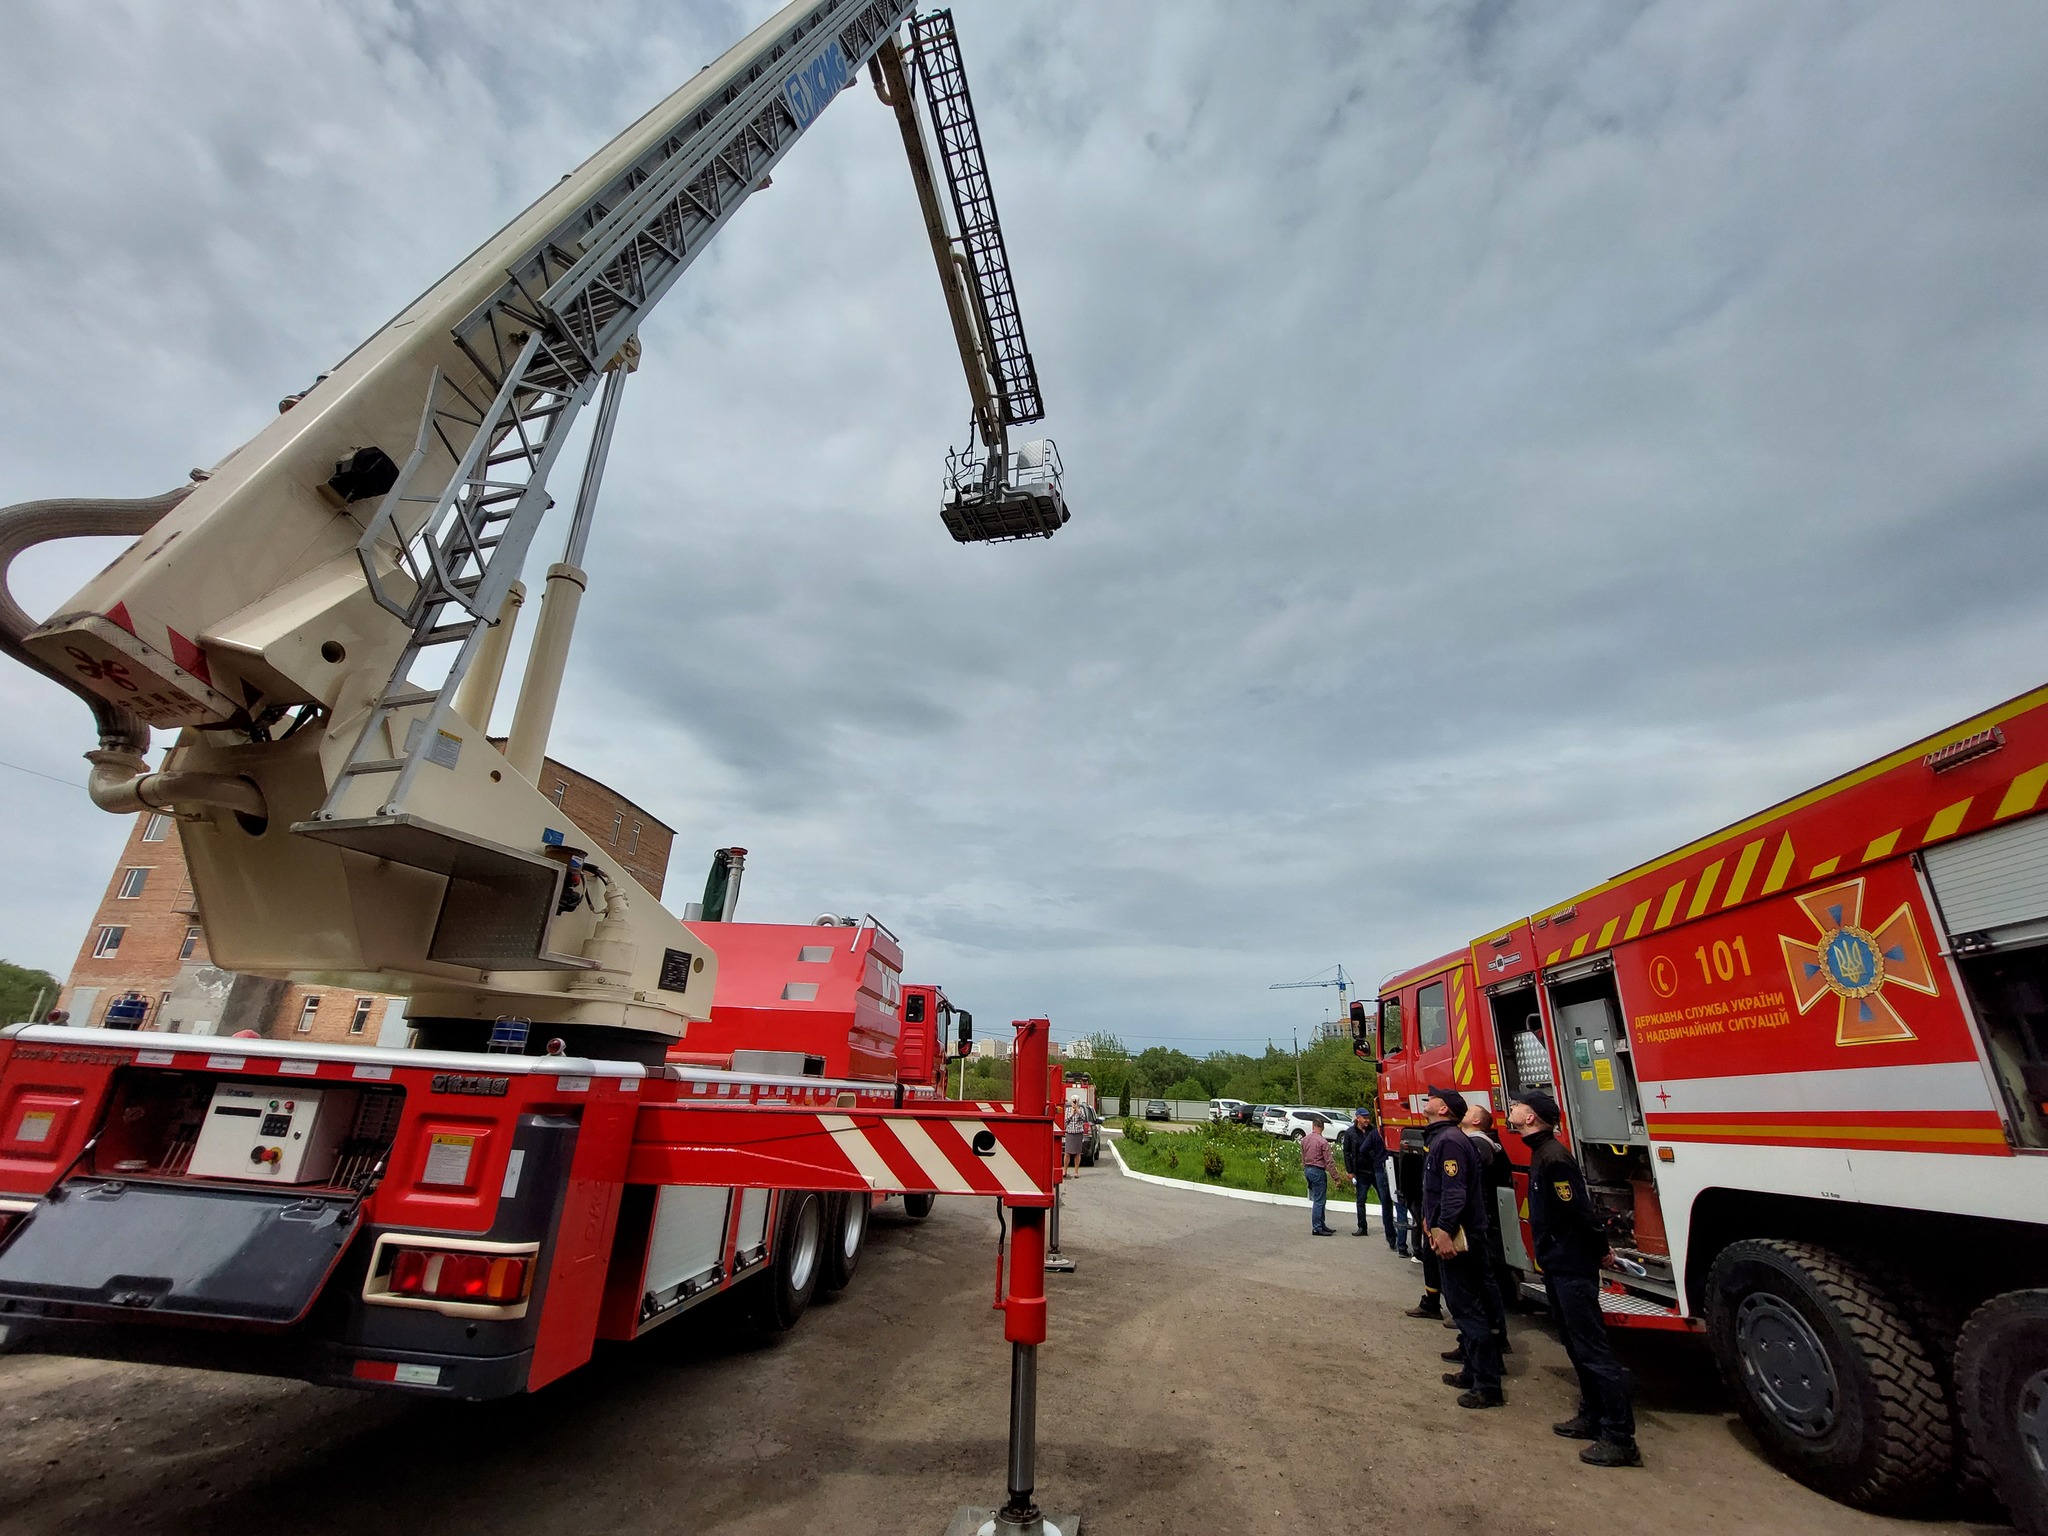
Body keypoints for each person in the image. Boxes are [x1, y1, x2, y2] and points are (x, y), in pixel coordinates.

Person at [1509, 1091, 1641, 1468]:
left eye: (1518, 1105)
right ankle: (1592, 1415)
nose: (1513, 1108)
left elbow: (1580, 1213)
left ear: (1532, 1117)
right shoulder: (1542, 1153)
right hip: (1558, 1264)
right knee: (1574, 1344)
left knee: (1592, 1350)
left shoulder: (1554, 1158)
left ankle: (1619, 1437)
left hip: (1572, 1266)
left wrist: (1602, 1249)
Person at [1421, 1085, 1503, 1408]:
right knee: (1465, 1306)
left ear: (1444, 1109)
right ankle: (1472, 1370)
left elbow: (1454, 1192)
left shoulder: (1450, 1141)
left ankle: (1487, 1385)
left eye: (1433, 1097)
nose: (1427, 1099)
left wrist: (1444, 1229)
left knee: (1467, 1309)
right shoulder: (1445, 1139)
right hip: (1456, 1232)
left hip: (1460, 1239)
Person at [1335, 1109, 1385, 1237]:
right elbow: (1346, 1153)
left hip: (1375, 1169)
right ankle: (1362, 1227)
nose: (1367, 1120)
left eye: (1368, 1118)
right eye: (1364, 1118)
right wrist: (1350, 1171)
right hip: (1361, 1171)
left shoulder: (1373, 1131)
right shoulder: (1350, 1133)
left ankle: (1389, 1225)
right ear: (1358, 1118)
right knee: (1361, 1200)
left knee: (1384, 1198)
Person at [1300, 1117, 1336, 1234]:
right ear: (1323, 1127)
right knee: (1319, 1201)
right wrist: (1336, 1177)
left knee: (1318, 1199)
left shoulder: (1305, 1140)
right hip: (1318, 1170)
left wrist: (1305, 1169)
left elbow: (1303, 1156)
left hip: (1308, 1169)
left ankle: (1321, 1224)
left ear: (1313, 1126)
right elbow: (1329, 1162)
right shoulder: (1323, 1142)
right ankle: (1317, 1227)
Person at [1062, 1100, 1087, 1174]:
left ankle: (1076, 1171)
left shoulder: (1081, 1109)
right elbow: (1065, 1120)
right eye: (1073, 1102)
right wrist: (1072, 1114)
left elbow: (1084, 1118)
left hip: (1078, 1133)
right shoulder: (1068, 1110)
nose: (1074, 1104)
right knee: (1067, 1153)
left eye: (1076, 1102)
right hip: (1070, 1133)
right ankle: (1065, 1171)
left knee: (1077, 1153)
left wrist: (1078, 1111)